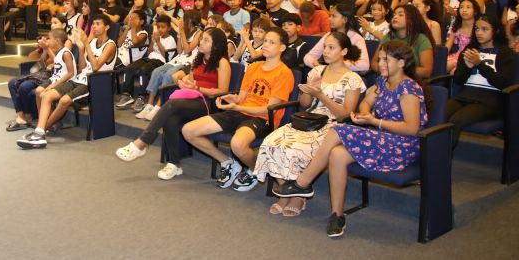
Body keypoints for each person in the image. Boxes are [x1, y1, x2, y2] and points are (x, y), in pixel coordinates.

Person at [274, 40, 427, 238]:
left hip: (402, 146)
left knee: (338, 130)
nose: (380, 64)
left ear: (401, 63)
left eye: (386, 60)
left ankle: (302, 182)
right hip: (383, 139)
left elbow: (412, 128)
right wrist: (364, 114)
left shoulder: (408, 89)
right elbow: (366, 104)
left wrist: (375, 121)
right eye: (379, 59)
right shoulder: (382, 81)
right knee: (337, 154)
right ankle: (337, 215)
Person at [254, 32, 365, 216]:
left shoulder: (353, 79)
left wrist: (321, 95)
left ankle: (297, 196)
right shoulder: (317, 71)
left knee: (296, 149)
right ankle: (289, 190)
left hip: (333, 126)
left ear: (344, 51)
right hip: (308, 120)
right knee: (271, 142)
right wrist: (309, 91)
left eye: (332, 48)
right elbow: (305, 104)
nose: (326, 51)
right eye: (325, 47)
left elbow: (346, 114)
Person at [182, 27, 295, 189]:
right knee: (188, 130)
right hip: (240, 112)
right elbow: (241, 97)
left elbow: (269, 109)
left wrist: (236, 106)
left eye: (272, 42)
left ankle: (255, 170)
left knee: (237, 144)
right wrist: (230, 98)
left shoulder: (284, 73)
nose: (266, 45)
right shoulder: (254, 67)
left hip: (262, 119)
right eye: (265, 41)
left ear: (282, 48)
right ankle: (227, 162)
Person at [115, 27, 231, 180]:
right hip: (193, 100)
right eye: (201, 38)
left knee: (171, 104)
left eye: (205, 40)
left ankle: (143, 142)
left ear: (215, 45)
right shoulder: (198, 60)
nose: (200, 42)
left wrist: (198, 88)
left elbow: (223, 91)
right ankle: (174, 164)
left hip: (212, 104)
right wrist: (184, 83)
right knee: (171, 120)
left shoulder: (222, 63)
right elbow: (190, 81)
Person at [17, 15, 116, 149]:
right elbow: (82, 66)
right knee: (46, 95)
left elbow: (96, 67)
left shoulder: (110, 45)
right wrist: (81, 49)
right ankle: (40, 132)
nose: (94, 27)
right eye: (93, 24)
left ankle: (40, 131)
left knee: (64, 101)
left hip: (95, 83)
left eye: (98, 24)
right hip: (80, 78)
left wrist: (85, 44)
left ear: (107, 27)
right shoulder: (92, 43)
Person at [446, 14, 516, 146]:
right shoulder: (470, 50)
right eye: (477, 29)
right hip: (464, 96)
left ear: (495, 30)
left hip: (489, 101)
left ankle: (442, 158)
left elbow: (503, 83)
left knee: (456, 120)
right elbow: (458, 81)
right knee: (439, 115)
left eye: (485, 29)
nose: (479, 33)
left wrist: (480, 64)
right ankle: (430, 152)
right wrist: (467, 67)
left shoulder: (505, 53)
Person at [137, 10, 203, 120]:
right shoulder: (184, 32)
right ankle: (149, 105)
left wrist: (181, 33)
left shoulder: (199, 33)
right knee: (156, 72)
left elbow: (188, 50)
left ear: (190, 21)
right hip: (179, 59)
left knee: (168, 75)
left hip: (190, 62)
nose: (182, 21)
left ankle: (159, 106)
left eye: (184, 19)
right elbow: (180, 50)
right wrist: (180, 36)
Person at [303, 1, 370, 73]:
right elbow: (308, 57)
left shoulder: (356, 38)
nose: (329, 19)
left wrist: (337, 65)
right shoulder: (329, 36)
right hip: (329, 74)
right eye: (330, 16)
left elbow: (365, 65)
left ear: (345, 19)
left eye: (334, 16)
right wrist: (318, 66)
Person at [380, 4, 435, 80]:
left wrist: (398, 69)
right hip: (388, 80)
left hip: (412, 81)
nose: (395, 17)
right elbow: (374, 63)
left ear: (412, 19)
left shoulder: (421, 39)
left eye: (401, 15)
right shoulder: (388, 37)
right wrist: (385, 68)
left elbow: (426, 71)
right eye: (394, 14)